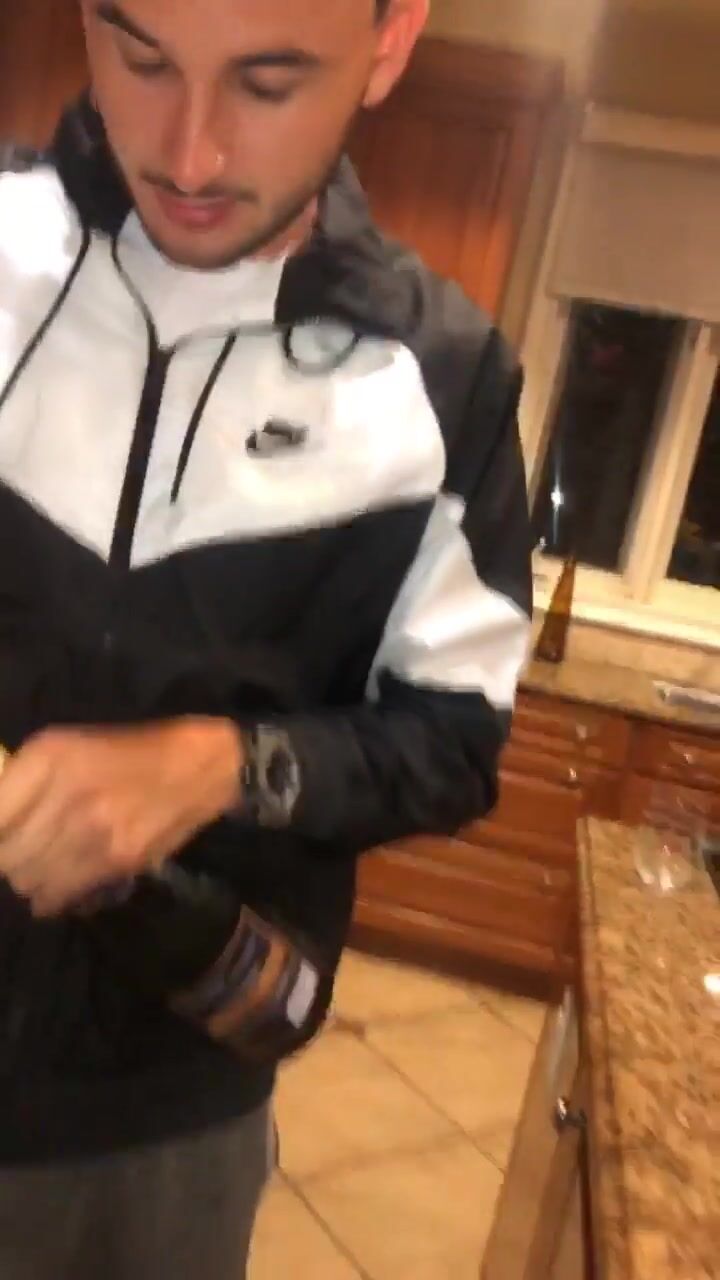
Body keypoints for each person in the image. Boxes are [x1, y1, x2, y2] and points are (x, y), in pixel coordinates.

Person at [0, 1, 532, 1276]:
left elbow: (453, 744)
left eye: (268, 82)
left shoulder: (442, 378)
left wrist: (223, 765)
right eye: (142, 60)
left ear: (390, 42)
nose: (189, 152)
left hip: (156, 1123)